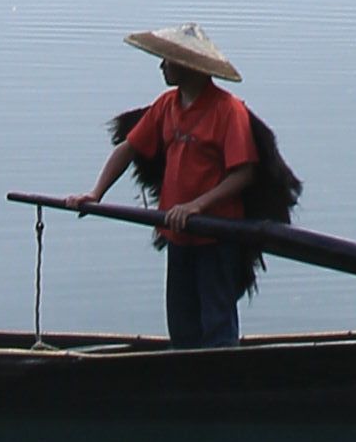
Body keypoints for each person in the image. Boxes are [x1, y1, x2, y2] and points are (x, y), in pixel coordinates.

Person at [78, 20, 263, 351]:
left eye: (168, 60)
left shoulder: (228, 110)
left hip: (216, 235)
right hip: (178, 234)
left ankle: (221, 387)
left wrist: (196, 206)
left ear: (188, 65)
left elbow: (243, 174)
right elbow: (128, 148)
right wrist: (95, 194)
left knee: (217, 325)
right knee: (182, 326)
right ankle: (187, 387)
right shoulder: (167, 105)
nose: (162, 66)